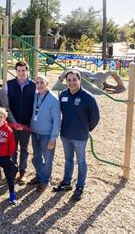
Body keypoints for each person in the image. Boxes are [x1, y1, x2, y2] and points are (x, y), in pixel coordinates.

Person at [53, 69, 100, 201]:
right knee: (68, 160)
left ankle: (79, 187)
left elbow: (95, 118)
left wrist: (85, 129)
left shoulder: (88, 97)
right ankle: (66, 182)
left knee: (81, 161)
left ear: (80, 80)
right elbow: (57, 113)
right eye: (69, 80)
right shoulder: (62, 95)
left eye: (74, 79)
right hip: (66, 134)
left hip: (80, 136)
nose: (72, 82)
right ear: (66, 82)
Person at [28, 75, 61, 192]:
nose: (39, 85)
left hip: (47, 134)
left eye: (42, 82)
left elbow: (57, 120)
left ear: (47, 83)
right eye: (37, 83)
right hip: (35, 131)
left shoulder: (53, 98)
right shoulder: (36, 96)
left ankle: (45, 180)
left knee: (47, 159)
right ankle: (39, 176)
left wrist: (53, 138)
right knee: (36, 156)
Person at [6, 61, 36, 185]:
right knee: (13, 148)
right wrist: (12, 121)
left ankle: (23, 172)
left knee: (24, 148)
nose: (21, 73)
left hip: (26, 124)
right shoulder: (9, 84)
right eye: (18, 70)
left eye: (23, 70)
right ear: (16, 71)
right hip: (12, 123)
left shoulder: (33, 85)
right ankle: (13, 170)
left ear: (27, 71)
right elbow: (6, 104)